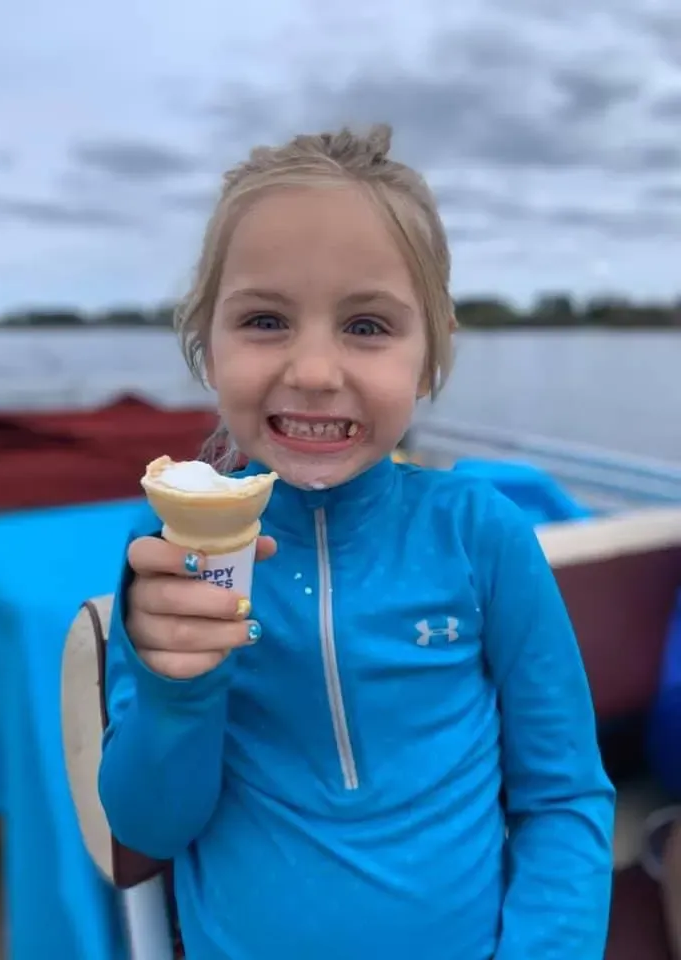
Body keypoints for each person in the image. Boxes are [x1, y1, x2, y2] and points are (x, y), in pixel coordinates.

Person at [98, 125, 615, 960]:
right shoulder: (169, 550)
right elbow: (148, 828)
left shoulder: (481, 536)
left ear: (429, 353)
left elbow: (563, 799)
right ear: (207, 341)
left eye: (367, 326)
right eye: (265, 320)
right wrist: (173, 690)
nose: (312, 370)